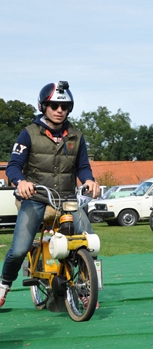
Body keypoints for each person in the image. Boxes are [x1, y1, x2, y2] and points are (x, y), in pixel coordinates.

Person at [1, 81, 99, 309]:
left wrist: (89, 180)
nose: (59, 110)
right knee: (19, 249)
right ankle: (4, 285)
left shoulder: (76, 137)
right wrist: (21, 182)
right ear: (43, 106)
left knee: (90, 242)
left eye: (64, 107)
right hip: (36, 198)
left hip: (67, 200)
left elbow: (83, 167)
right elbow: (13, 166)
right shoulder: (28, 134)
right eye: (54, 105)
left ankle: (86, 289)